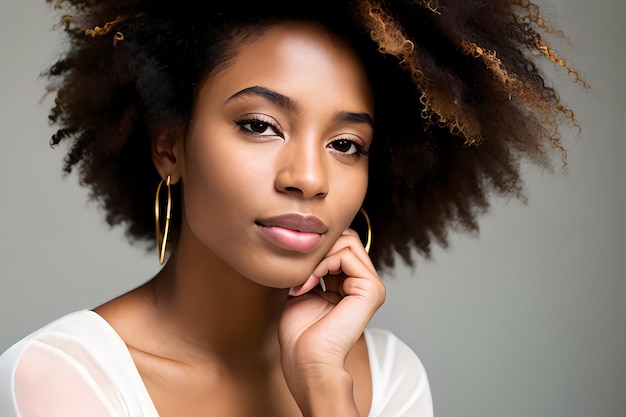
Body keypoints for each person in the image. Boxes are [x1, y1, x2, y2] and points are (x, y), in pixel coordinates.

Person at [0, 0, 584, 415]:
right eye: (260, 125)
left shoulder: (386, 379)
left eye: (346, 145)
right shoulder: (62, 376)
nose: (309, 178)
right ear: (169, 147)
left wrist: (324, 387)